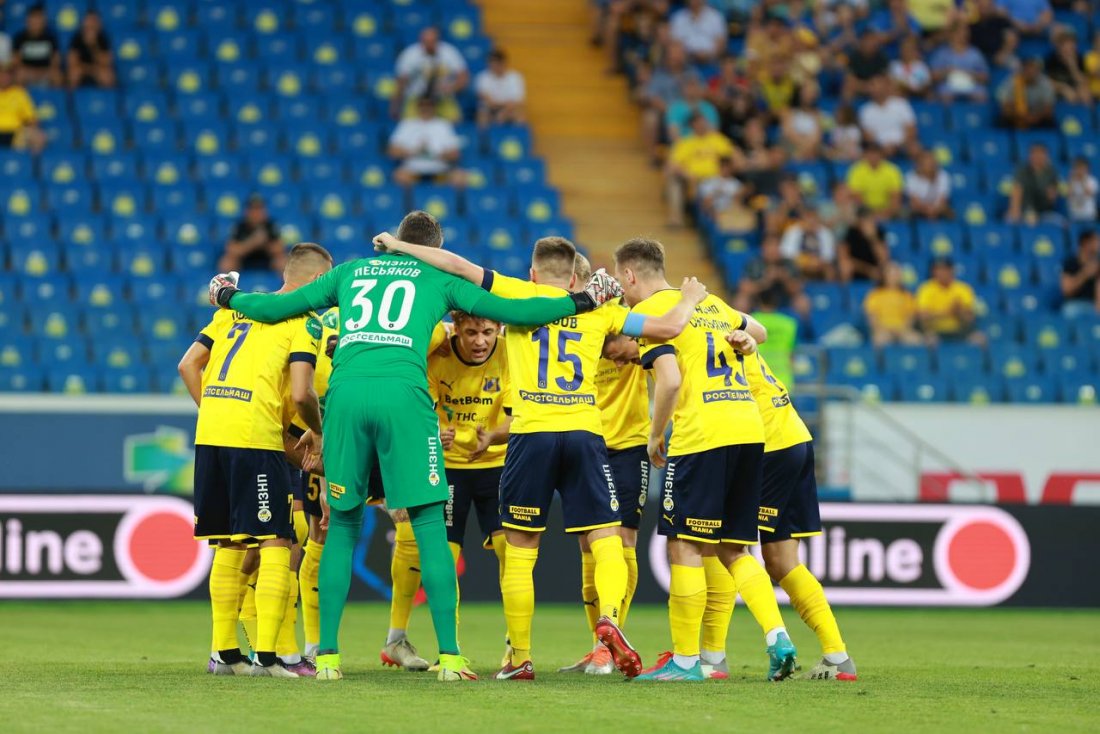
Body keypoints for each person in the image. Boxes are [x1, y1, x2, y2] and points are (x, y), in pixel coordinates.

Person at [207, 210, 625, 683]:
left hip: (345, 396)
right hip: (405, 398)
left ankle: (326, 659)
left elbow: (272, 309)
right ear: (433, 248)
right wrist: (584, 300)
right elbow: (520, 313)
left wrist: (226, 295)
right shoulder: (440, 280)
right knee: (427, 524)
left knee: (341, 524)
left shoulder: (349, 271)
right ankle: (450, 658)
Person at [372, 233, 712, 682]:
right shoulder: (600, 309)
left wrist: (401, 245)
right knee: (606, 536)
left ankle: (520, 657)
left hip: (531, 434)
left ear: (533, 273)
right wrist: (688, 299)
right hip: (585, 432)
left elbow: (455, 264)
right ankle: (609, 618)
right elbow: (668, 328)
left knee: (520, 547)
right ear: (574, 278)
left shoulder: (515, 294)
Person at [615, 238, 797, 683]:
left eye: (621, 281)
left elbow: (670, 381)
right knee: (735, 549)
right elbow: (759, 332)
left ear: (630, 275)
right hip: (748, 428)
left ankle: (684, 661)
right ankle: (778, 636)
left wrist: (656, 435)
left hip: (702, 434)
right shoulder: (710, 303)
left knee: (684, 546)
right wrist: (743, 340)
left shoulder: (654, 316)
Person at [178, 243, 333, 677]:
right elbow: (301, 393)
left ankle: (224, 654)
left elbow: (188, 365)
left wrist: (216, 411)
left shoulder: (233, 311)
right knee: (277, 540)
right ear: (319, 281)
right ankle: (269, 657)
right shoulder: (304, 321)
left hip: (211, 435)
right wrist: (318, 432)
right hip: (256, 440)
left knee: (228, 541)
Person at [721, 329, 857, 680]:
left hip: (768, 445)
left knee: (725, 547)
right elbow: (759, 331)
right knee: (781, 561)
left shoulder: (695, 336)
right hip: (795, 437)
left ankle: (715, 655)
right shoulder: (726, 326)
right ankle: (837, 656)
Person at [559, 255, 648, 676]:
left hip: (627, 446)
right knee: (588, 546)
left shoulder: (620, 316)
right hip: (587, 444)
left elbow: (652, 341)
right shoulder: (563, 326)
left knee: (622, 541)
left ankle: (610, 643)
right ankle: (598, 646)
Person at [426, 310, 511, 647]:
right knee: (445, 558)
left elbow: (520, 414)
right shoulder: (438, 356)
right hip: (449, 467)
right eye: (471, 332)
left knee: (509, 551)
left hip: (497, 464)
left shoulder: (509, 353)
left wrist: (493, 436)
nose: (480, 341)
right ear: (456, 328)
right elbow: (421, 409)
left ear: (499, 328)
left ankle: (515, 645)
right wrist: (435, 432)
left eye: (487, 332)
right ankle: (449, 648)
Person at [665, 113, 736, 227]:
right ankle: (676, 219)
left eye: (704, 122)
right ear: (693, 125)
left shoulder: (718, 139)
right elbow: (672, 166)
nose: (703, 125)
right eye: (699, 123)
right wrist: (687, 175)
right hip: (693, 180)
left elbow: (733, 157)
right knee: (674, 181)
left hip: (716, 179)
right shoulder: (685, 143)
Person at [393, 27, 469, 121]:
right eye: (426, 42)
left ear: (438, 41)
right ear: (421, 41)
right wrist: (395, 105)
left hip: (443, 97)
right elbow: (401, 82)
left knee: (456, 121)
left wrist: (452, 88)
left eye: (432, 41)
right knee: (407, 123)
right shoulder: (409, 55)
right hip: (416, 97)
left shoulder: (449, 52)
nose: (429, 45)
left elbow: (463, 76)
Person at [388, 95, 465, 187]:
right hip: (412, 169)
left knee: (460, 177)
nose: (425, 108)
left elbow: (455, 154)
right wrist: (414, 151)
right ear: (417, 106)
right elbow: (393, 151)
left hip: (440, 169)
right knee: (399, 176)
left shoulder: (444, 125)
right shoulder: (407, 124)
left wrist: (434, 153)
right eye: (422, 105)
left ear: (434, 107)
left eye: (429, 105)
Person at [737, 234, 810, 317]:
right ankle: (742, 324)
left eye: (776, 246)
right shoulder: (754, 263)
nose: (773, 250)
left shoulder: (789, 263)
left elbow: (798, 288)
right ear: (763, 248)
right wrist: (765, 281)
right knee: (741, 301)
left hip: (783, 299)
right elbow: (744, 288)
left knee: (802, 301)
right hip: (758, 300)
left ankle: (802, 325)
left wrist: (784, 278)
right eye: (770, 246)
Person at [916, 257, 983, 345]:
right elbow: (922, 316)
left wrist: (959, 311)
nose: (942, 273)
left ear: (952, 270)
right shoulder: (926, 289)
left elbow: (970, 318)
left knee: (980, 339)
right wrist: (948, 311)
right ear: (933, 272)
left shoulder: (963, 289)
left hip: (959, 330)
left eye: (945, 269)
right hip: (935, 330)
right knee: (930, 341)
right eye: (938, 270)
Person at [219, 195, 285, 273]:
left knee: (282, 261)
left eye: (259, 209)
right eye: (253, 209)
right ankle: (229, 282)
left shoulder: (271, 225)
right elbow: (231, 249)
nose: (256, 213)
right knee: (227, 262)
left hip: (266, 259)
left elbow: (279, 248)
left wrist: (264, 243)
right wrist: (253, 242)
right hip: (244, 259)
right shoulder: (240, 226)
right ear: (247, 211)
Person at [858, 74, 917, 158]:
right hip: (879, 148)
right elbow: (868, 136)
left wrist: (897, 145)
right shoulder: (865, 110)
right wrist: (883, 146)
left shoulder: (901, 104)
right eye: (872, 85)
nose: (875, 89)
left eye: (878, 84)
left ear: (886, 86)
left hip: (902, 146)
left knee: (915, 149)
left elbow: (911, 130)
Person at [864, 262, 922, 345]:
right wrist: (885, 330)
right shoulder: (875, 294)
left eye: (896, 273)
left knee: (915, 340)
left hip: (902, 330)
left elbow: (910, 318)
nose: (894, 276)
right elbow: (872, 318)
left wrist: (900, 330)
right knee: (879, 339)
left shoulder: (907, 295)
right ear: (884, 275)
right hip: (882, 330)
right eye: (891, 273)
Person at [930, 23, 990, 101]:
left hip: (971, 85)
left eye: (966, 32)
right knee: (945, 96)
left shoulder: (975, 53)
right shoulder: (942, 53)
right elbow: (933, 76)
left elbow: (985, 77)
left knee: (981, 96)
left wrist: (971, 74)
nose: (964, 35)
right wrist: (947, 72)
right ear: (952, 34)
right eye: (960, 32)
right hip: (948, 85)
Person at [1006, 142, 1060, 223]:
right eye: (1035, 154)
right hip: (1025, 211)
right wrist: (1015, 210)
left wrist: (1052, 194)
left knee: (1060, 222)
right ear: (1030, 156)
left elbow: (1052, 198)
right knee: (1010, 220)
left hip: (1044, 213)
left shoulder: (1051, 172)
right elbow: (1017, 192)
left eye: (1041, 154)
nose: (1038, 157)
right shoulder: (1022, 171)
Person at [847, 143, 904, 218]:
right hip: (864, 210)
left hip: (887, 209)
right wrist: (870, 214)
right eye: (870, 154)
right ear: (865, 155)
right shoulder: (856, 170)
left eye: (876, 154)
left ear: (881, 155)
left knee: (902, 212)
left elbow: (896, 196)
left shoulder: (892, 170)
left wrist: (885, 213)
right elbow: (856, 196)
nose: (873, 157)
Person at [996, 57, 1055, 129]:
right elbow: (1005, 108)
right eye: (1027, 69)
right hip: (1016, 117)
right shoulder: (1012, 81)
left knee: (1049, 122)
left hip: (1038, 118)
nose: (1030, 72)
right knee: (1002, 120)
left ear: (1038, 71)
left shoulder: (1045, 83)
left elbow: (1048, 109)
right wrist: (1022, 117)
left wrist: (1034, 118)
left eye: (1033, 69)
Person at [779, 208, 837, 280]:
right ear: (802, 220)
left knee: (830, 270)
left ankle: (828, 287)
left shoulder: (825, 233)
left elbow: (828, 255)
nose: (810, 223)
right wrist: (806, 261)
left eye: (813, 220)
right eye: (808, 220)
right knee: (788, 269)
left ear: (818, 220)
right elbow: (787, 253)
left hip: (819, 265)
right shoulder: (793, 231)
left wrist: (817, 262)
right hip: (799, 264)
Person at [11, 4, 61, 87]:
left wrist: (42, 72)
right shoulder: (20, 38)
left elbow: (55, 61)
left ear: (44, 21)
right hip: (27, 72)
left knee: (56, 75)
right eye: (33, 18)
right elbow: (16, 61)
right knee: (19, 74)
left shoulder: (51, 38)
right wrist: (32, 72)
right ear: (27, 20)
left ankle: (55, 96)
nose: (36, 22)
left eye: (39, 18)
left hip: (45, 72)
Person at [0, 63, 45, 153]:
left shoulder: (20, 93)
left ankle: (24, 161)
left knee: (39, 137)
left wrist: (33, 128)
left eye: (6, 75)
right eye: (1, 75)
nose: (4, 78)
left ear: (11, 77)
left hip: (16, 134)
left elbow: (32, 119)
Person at [474, 49, 525, 127]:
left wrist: (503, 113)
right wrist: (499, 111)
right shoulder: (482, 77)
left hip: (509, 109)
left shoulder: (515, 77)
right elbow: (488, 101)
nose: (492, 66)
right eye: (490, 64)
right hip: (490, 109)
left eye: (494, 64)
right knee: (482, 115)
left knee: (519, 114)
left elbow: (517, 101)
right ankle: (483, 134)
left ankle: (517, 134)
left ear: (502, 63)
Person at [66, 10, 114, 89]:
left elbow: (106, 62)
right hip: (82, 68)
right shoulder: (76, 38)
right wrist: (86, 68)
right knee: (73, 74)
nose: (91, 25)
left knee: (107, 76)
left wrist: (94, 46)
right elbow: (71, 62)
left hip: (97, 69)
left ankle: (105, 96)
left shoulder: (103, 39)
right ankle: (72, 96)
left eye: (94, 21)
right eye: (89, 21)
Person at [839, 208, 889, 282]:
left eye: (869, 219)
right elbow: (844, 256)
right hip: (859, 269)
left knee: (888, 269)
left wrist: (872, 238)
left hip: (876, 270)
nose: (866, 222)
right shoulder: (851, 232)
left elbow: (884, 258)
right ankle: (846, 289)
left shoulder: (879, 232)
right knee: (845, 266)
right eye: (863, 219)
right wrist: (868, 271)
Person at [665, 75, 720, 142]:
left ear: (700, 88)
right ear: (682, 89)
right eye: (688, 86)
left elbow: (713, 132)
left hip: (706, 145)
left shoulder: (709, 108)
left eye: (694, 85)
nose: (692, 89)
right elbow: (674, 134)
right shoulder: (674, 109)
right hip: (683, 145)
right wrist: (689, 146)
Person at [780, 82, 824, 161]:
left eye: (812, 93)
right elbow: (788, 133)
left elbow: (817, 136)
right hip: (792, 147)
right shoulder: (788, 112)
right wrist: (802, 147)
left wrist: (808, 148)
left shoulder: (817, 114)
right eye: (806, 92)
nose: (809, 95)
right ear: (800, 93)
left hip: (811, 150)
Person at [1045, 28, 1091, 104]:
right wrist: (1063, 88)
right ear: (1059, 47)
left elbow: (1083, 81)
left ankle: (1085, 111)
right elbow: (1046, 82)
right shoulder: (1052, 59)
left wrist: (1073, 66)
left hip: (1075, 90)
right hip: (1058, 91)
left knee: (1085, 93)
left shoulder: (1080, 58)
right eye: (1067, 45)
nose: (1070, 48)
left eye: (1073, 45)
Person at [1061, 230, 1100, 317]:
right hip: (1074, 304)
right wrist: (1085, 274)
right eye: (1095, 241)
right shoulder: (1071, 263)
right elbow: (1066, 290)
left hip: (1092, 305)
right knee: (1069, 311)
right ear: (1086, 243)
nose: (1098, 245)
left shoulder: (1097, 264)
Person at [906, 150, 953, 220]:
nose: (930, 164)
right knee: (909, 209)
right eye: (926, 161)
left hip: (938, 210)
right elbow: (914, 201)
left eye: (932, 161)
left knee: (949, 211)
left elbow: (943, 200)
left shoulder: (943, 176)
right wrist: (927, 210)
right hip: (919, 211)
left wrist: (934, 210)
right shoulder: (910, 177)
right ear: (919, 164)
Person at [842, 31, 888, 100]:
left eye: (873, 40)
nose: (871, 43)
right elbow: (850, 78)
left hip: (875, 87)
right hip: (859, 87)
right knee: (847, 89)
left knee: (883, 87)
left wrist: (872, 87)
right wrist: (865, 87)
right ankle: (847, 106)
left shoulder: (882, 58)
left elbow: (882, 79)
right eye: (868, 40)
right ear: (862, 41)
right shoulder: (854, 56)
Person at [1067, 156, 1098, 223]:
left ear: (1087, 169)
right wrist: (1071, 181)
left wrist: (1083, 181)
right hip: (1074, 216)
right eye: (1077, 168)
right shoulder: (1071, 181)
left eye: (1082, 168)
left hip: (1089, 216)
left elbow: (1089, 193)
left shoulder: (1092, 180)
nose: (1080, 171)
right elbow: (1068, 195)